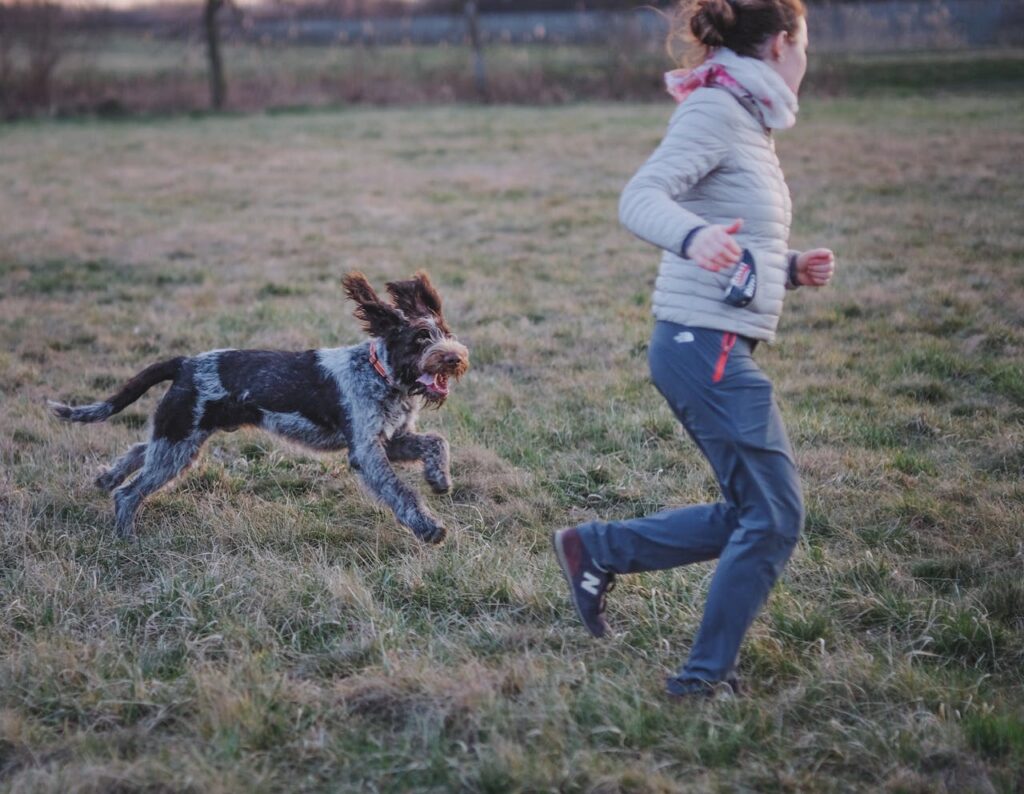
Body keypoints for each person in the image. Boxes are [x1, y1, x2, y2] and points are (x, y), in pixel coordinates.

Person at [552, 0, 836, 698]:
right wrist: (690, 237)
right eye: (804, 45)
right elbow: (640, 196)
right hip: (699, 347)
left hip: (710, 340)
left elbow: (734, 235)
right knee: (773, 515)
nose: (806, 59)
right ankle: (701, 681)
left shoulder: (745, 116)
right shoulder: (716, 111)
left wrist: (786, 267)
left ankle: (600, 548)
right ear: (780, 46)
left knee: (755, 510)